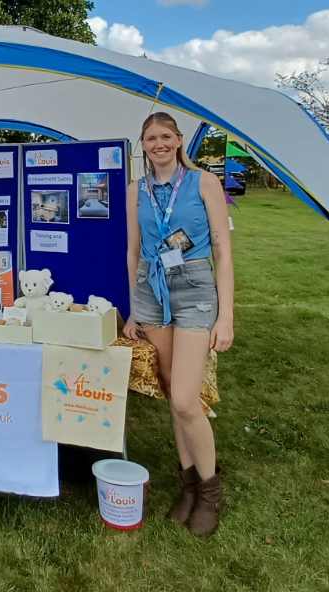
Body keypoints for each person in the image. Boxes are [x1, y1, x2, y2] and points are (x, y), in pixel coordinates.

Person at [123, 112, 234, 536]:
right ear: (143, 144)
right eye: (151, 138)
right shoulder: (136, 190)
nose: (159, 144)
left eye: (166, 136)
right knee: (173, 393)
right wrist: (133, 309)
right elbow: (134, 251)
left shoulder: (204, 182)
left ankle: (210, 491)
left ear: (179, 139)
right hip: (150, 291)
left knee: (187, 400)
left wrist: (226, 316)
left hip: (194, 290)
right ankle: (188, 486)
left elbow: (222, 251)